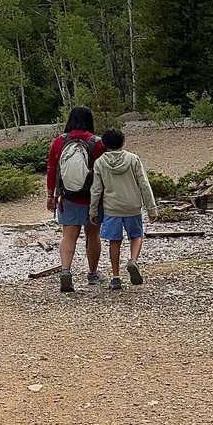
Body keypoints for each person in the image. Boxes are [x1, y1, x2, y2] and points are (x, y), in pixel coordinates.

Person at [46, 106, 106, 293]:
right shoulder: (98, 143)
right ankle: (93, 273)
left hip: (67, 197)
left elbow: (52, 170)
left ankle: (66, 271)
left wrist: (50, 196)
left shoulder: (59, 142)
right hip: (93, 198)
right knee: (93, 235)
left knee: (68, 236)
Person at [88, 129, 158, 290]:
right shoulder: (133, 159)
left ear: (104, 144)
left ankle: (116, 277)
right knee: (136, 235)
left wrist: (93, 210)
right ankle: (133, 260)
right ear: (123, 142)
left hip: (112, 208)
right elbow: (144, 184)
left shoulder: (100, 162)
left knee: (115, 241)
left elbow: (96, 189)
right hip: (132, 206)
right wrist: (151, 208)